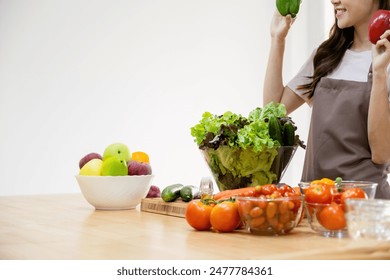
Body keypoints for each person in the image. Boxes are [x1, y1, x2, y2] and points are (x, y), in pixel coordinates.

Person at [263, 0, 390, 199]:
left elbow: (382, 154)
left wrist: (380, 73)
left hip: (365, 208)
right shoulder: (326, 57)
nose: (333, 0)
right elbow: (274, 110)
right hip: (317, 202)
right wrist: (277, 38)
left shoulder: (387, 63)